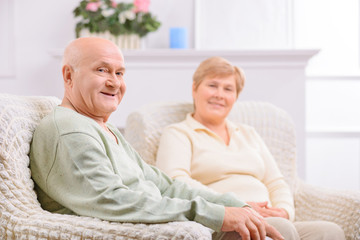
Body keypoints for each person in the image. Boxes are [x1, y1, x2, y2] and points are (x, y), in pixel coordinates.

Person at [29, 37, 283, 240]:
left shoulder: (103, 128)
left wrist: (235, 205)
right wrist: (217, 214)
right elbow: (112, 201)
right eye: (102, 70)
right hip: (154, 233)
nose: (114, 82)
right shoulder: (69, 130)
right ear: (69, 76)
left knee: (276, 227)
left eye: (120, 73)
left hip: (170, 223)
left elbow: (166, 185)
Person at [156, 57, 346, 240]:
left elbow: (276, 182)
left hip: (269, 219)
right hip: (223, 222)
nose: (219, 95)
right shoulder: (178, 133)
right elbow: (175, 183)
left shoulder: (248, 133)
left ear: (235, 97)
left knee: (329, 232)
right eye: (212, 85)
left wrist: (284, 211)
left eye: (228, 89)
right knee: (281, 229)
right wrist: (239, 206)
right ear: (195, 88)